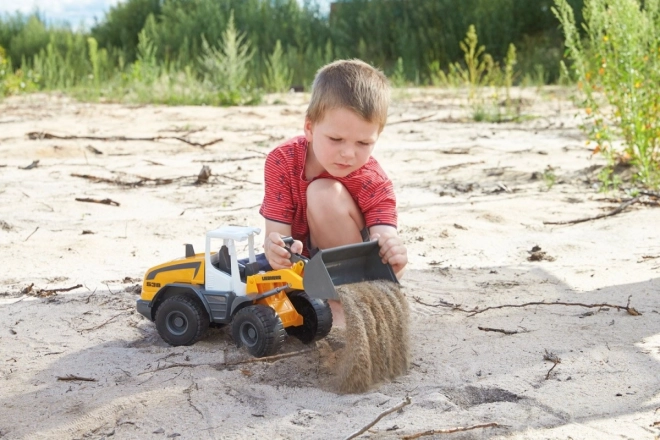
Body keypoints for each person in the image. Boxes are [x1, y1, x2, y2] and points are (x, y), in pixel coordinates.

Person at [259, 59, 407, 324]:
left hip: (351, 264)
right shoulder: (282, 161)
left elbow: (384, 241)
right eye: (336, 139)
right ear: (310, 128)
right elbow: (276, 238)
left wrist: (393, 256)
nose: (348, 153)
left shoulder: (372, 178)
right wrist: (275, 250)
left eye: (364, 143)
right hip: (302, 266)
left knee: (323, 193)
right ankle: (320, 300)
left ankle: (347, 298)